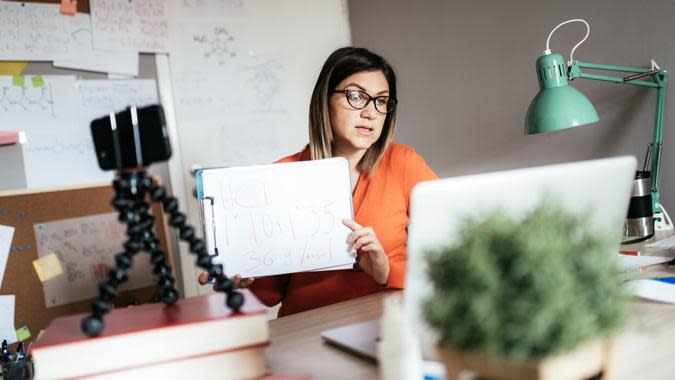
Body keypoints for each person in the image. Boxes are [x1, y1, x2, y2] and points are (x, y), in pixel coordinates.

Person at [198, 47, 437, 316]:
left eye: (381, 101)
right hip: (306, 330)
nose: (370, 112)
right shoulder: (282, 174)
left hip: (386, 325)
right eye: (356, 96)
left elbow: (453, 254)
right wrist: (242, 281)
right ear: (325, 99)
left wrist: (386, 272)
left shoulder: (403, 163)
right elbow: (269, 295)